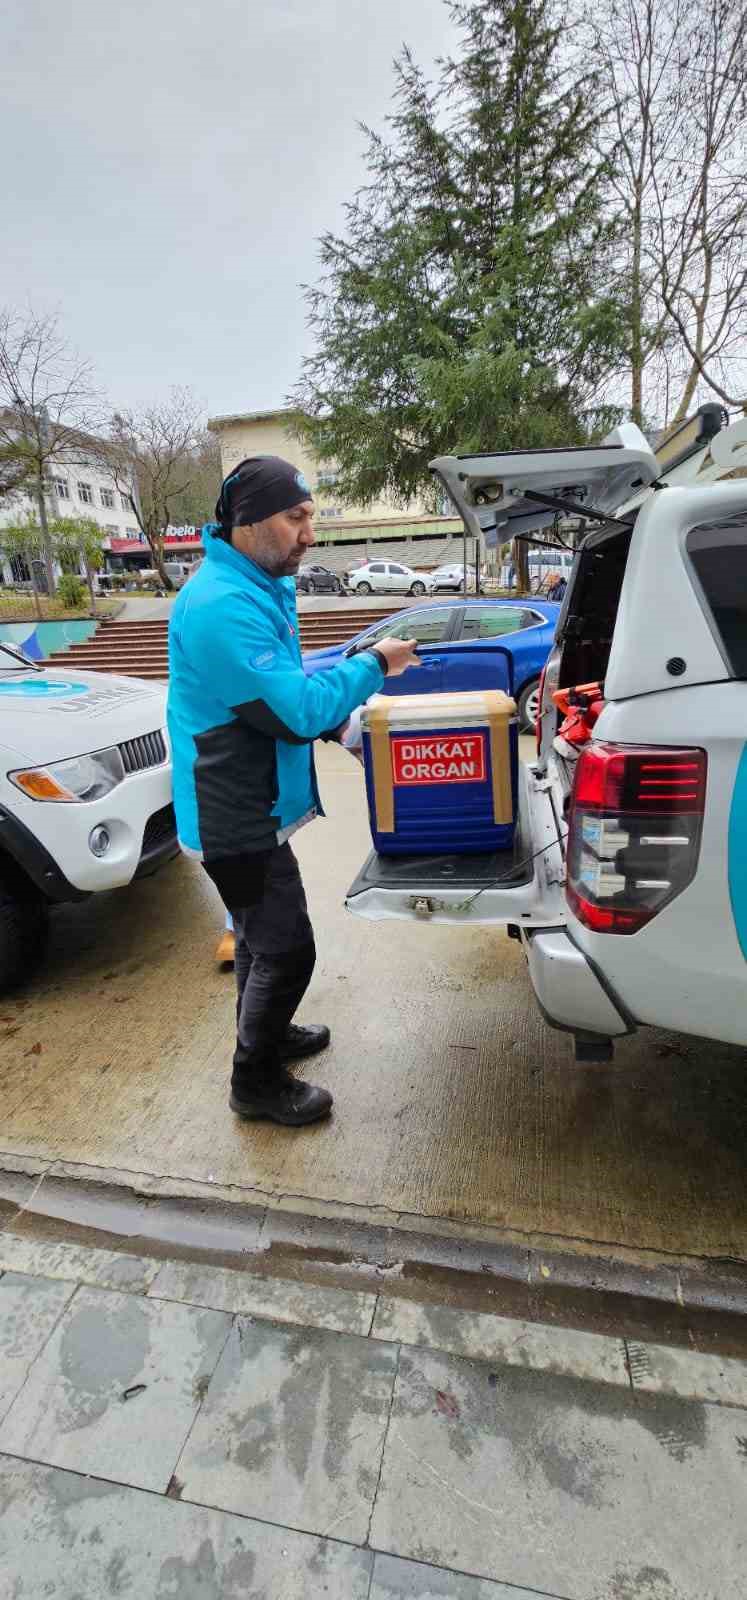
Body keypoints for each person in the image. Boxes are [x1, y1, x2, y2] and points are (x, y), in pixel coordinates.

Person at [167, 455, 419, 1127]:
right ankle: (253, 1083)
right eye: (297, 517)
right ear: (249, 522)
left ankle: (268, 1038)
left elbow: (279, 688)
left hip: (253, 801)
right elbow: (290, 711)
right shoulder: (221, 604)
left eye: (311, 517)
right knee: (286, 948)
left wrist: (341, 721)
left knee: (256, 939)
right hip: (232, 815)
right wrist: (373, 665)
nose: (311, 534)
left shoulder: (253, 583)